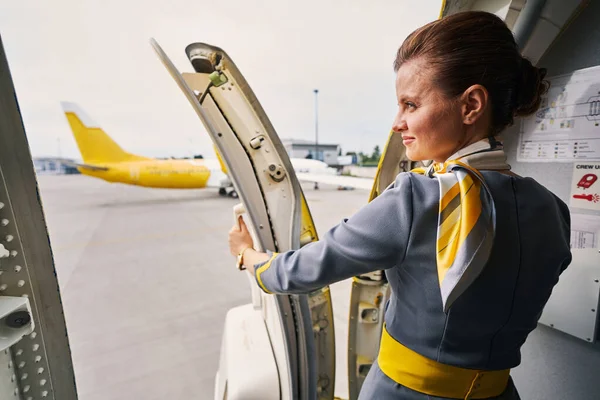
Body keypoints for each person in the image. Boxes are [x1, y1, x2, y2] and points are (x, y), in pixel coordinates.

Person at [228, 11, 572, 400]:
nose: (397, 122)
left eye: (410, 104)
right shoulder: (553, 210)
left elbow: (297, 272)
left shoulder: (415, 198)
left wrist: (248, 256)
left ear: (471, 105)